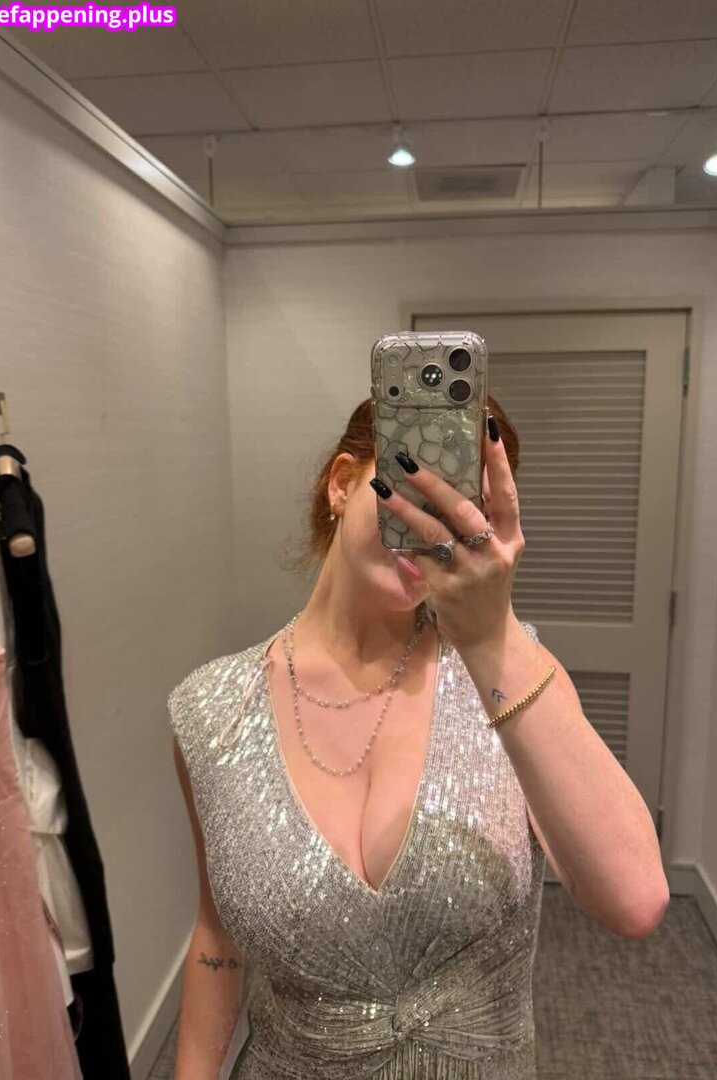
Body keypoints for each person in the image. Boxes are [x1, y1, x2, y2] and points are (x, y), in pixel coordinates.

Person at [168, 395, 669, 1079]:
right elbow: (216, 937)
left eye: (465, 512)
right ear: (342, 484)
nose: (433, 529)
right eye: (412, 484)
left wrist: (492, 638)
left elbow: (635, 900)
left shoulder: (511, 681)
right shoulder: (213, 711)